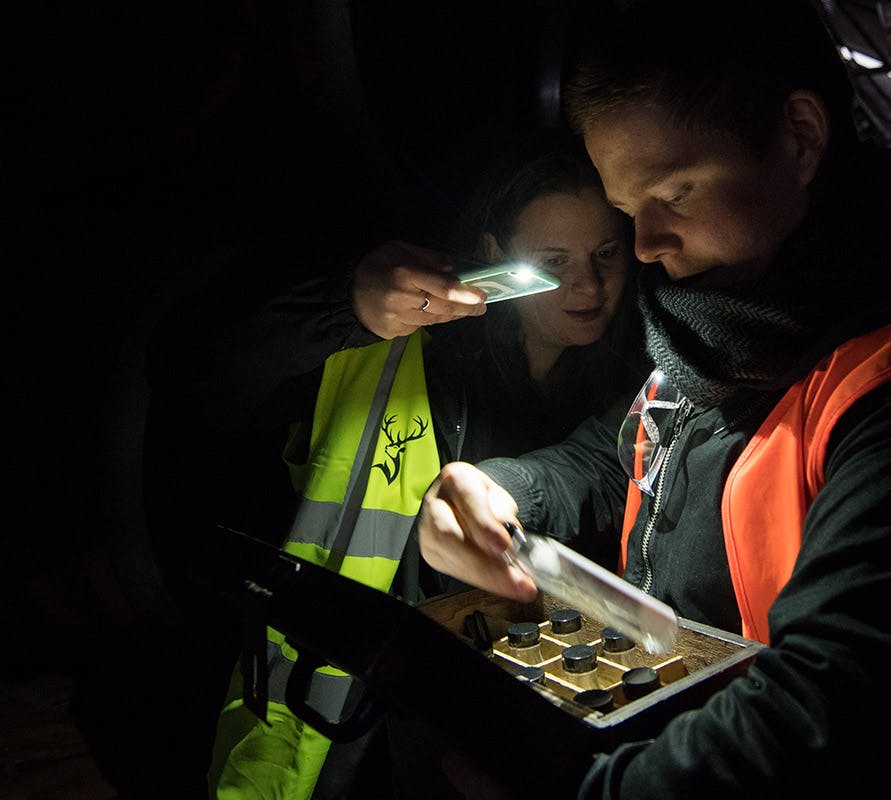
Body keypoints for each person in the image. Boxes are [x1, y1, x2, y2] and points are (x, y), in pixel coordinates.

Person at [416, 1, 891, 797]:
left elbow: (839, 712)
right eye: (628, 211)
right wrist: (506, 489)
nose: (644, 245)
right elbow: (624, 457)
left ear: (800, 137)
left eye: (674, 194)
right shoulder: (716, 321)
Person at [78, 132, 646, 800]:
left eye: (606, 253)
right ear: (496, 255)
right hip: (358, 720)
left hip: (525, 715)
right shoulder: (404, 350)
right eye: (553, 259)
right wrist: (343, 308)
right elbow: (189, 376)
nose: (587, 283)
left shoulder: (634, 369)